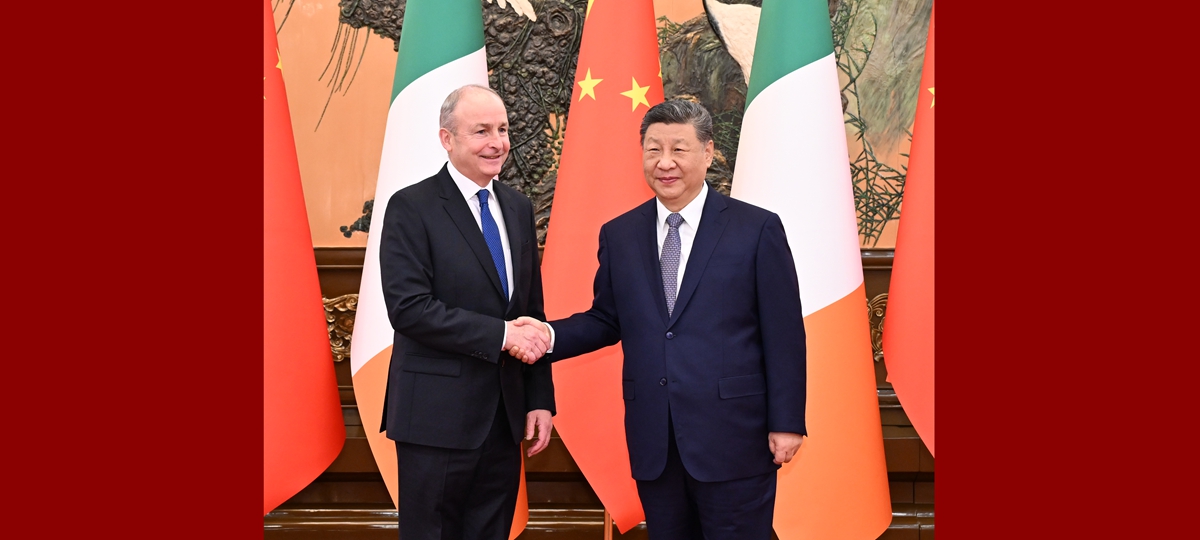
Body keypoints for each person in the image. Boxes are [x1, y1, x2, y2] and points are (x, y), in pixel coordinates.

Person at [512, 100, 807, 540]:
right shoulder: (621, 234)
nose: (664, 163)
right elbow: (606, 319)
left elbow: (783, 334)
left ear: (708, 153)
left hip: (734, 439)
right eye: (653, 149)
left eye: (679, 149)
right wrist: (548, 335)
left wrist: (787, 422)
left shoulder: (756, 229)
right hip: (656, 442)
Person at [378, 84, 555, 540]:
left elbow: (530, 312)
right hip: (435, 420)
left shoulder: (516, 208)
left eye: (502, 129)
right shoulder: (410, 207)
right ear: (447, 139)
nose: (497, 142)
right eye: (481, 131)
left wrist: (539, 398)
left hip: (503, 417)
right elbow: (410, 309)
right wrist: (500, 335)